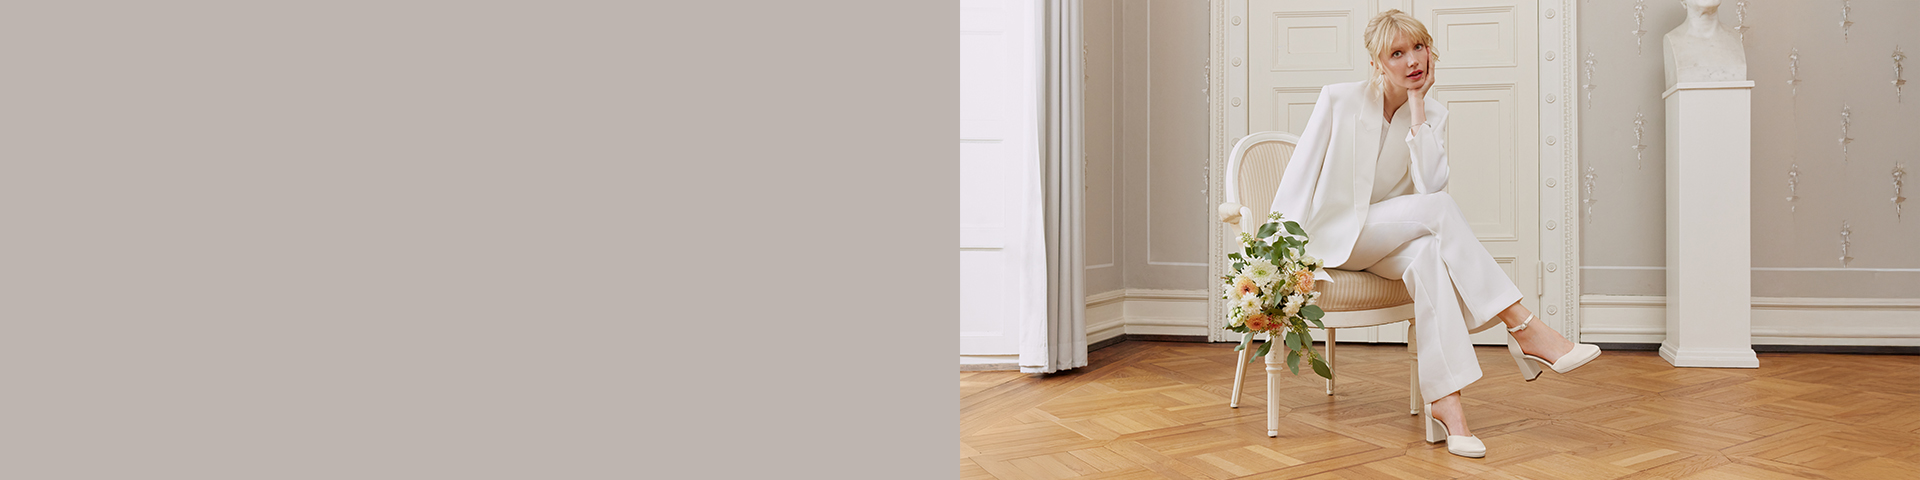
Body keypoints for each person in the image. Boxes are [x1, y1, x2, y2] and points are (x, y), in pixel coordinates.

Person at [1267, 9, 1602, 459]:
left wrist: (1418, 108)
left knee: (1427, 255)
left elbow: (1430, 186)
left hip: (1384, 241)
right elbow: (1298, 178)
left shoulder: (1433, 113)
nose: (1412, 61)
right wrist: (1275, 257)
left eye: (1419, 47)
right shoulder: (1339, 99)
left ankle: (1449, 407)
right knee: (1439, 213)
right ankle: (1523, 326)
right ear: (1376, 62)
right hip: (1333, 241)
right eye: (1397, 53)